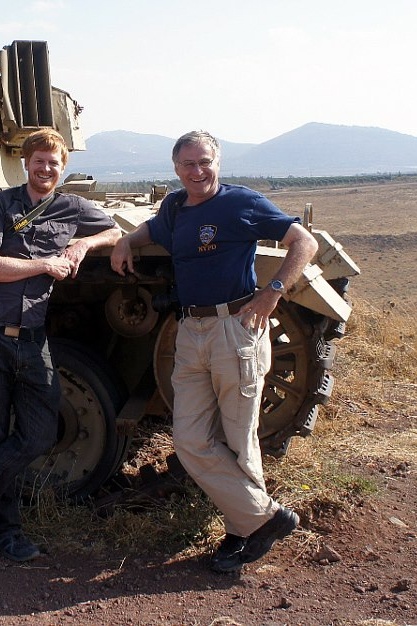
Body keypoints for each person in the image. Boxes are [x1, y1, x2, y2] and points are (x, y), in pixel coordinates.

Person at [110, 130, 319, 573]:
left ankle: (240, 534)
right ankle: (265, 518)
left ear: (217, 162)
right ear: (175, 168)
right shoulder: (174, 206)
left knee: (239, 439)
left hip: (235, 328)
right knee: (189, 439)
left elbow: (305, 242)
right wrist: (128, 239)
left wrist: (273, 292)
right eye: (187, 164)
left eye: (204, 162)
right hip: (191, 331)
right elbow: (154, 228)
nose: (197, 171)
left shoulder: (240, 202)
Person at [0, 128, 122, 563]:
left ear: (63, 166)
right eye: (39, 161)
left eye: (54, 162)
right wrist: (45, 263)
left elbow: (113, 230)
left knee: (38, 435)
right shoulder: (1, 205)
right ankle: (6, 534)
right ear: (26, 163)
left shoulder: (72, 207)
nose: (46, 168)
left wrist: (83, 243)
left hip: (32, 340)